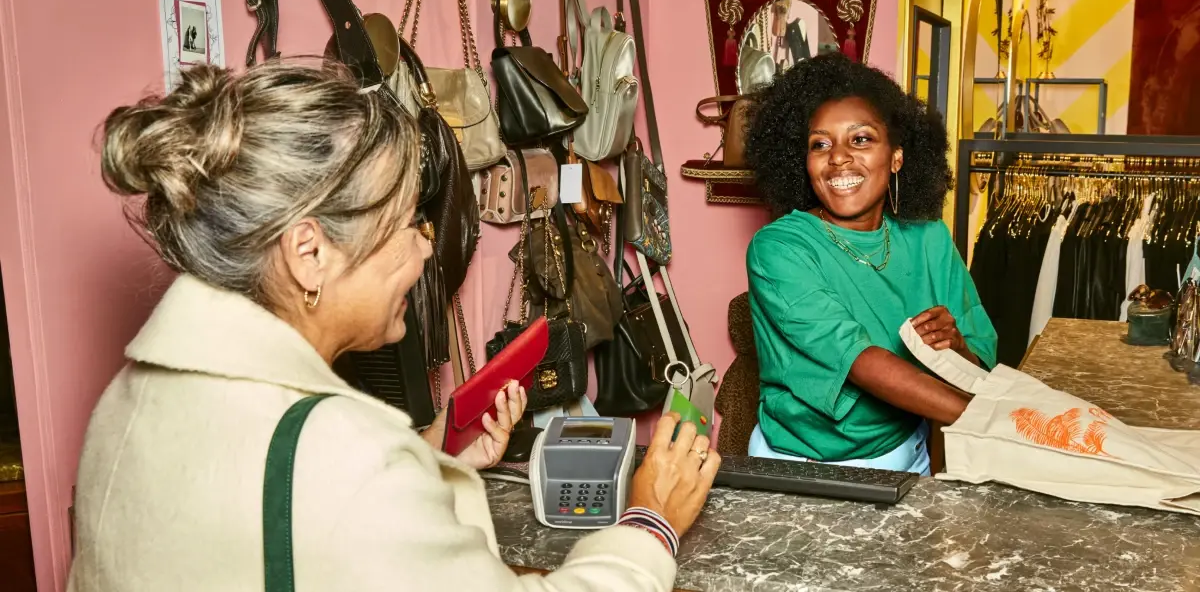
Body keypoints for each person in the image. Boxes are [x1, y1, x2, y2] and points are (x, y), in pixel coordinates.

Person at [68, 60, 720, 591]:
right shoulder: (348, 458)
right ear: (309, 254)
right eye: (409, 222)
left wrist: (428, 461)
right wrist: (650, 521)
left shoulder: (123, 405)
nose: (427, 249)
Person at [742, 53, 997, 475]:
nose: (838, 157)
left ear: (896, 157)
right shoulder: (778, 249)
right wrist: (991, 421)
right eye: (820, 144)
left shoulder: (928, 237)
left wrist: (957, 349)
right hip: (799, 471)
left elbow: (980, 362)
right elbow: (856, 358)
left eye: (860, 139)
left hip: (907, 460)